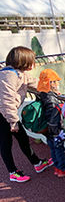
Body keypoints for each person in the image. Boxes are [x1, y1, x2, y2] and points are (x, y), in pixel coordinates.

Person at [0, 46, 52, 182]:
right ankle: (13, 172)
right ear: (23, 61)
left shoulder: (18, 73)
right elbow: (7, 100)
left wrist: (49, 89)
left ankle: (37, 163)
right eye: (31, 61)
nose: (33, 64)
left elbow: (33, 83)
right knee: (6, 143)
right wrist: (13, 121)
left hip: (6, 113)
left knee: (22, 139)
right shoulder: (8, 76)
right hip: (3, 114)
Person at [37, 69, 65, 177]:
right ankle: (62, 169)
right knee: (59, 148)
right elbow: (53, 116)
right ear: (50, 83)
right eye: (55, 81)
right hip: (54, 129)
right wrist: (58, 132)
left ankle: (57, 167)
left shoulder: (43, 94)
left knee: (53, 148)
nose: (57, 84)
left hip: (47, 128)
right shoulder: (51, 99)